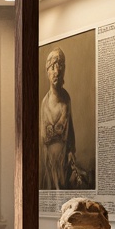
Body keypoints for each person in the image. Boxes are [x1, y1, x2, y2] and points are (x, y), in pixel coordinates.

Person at [40, 47, 79, 191]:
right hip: (49, 164)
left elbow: (71, 129)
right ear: (47, 72)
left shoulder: (66, 99)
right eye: (52, 67)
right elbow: (42, 141)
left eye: (60, 67)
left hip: (64, 162)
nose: (56, 71)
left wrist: (71, 151)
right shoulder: (44, 103)